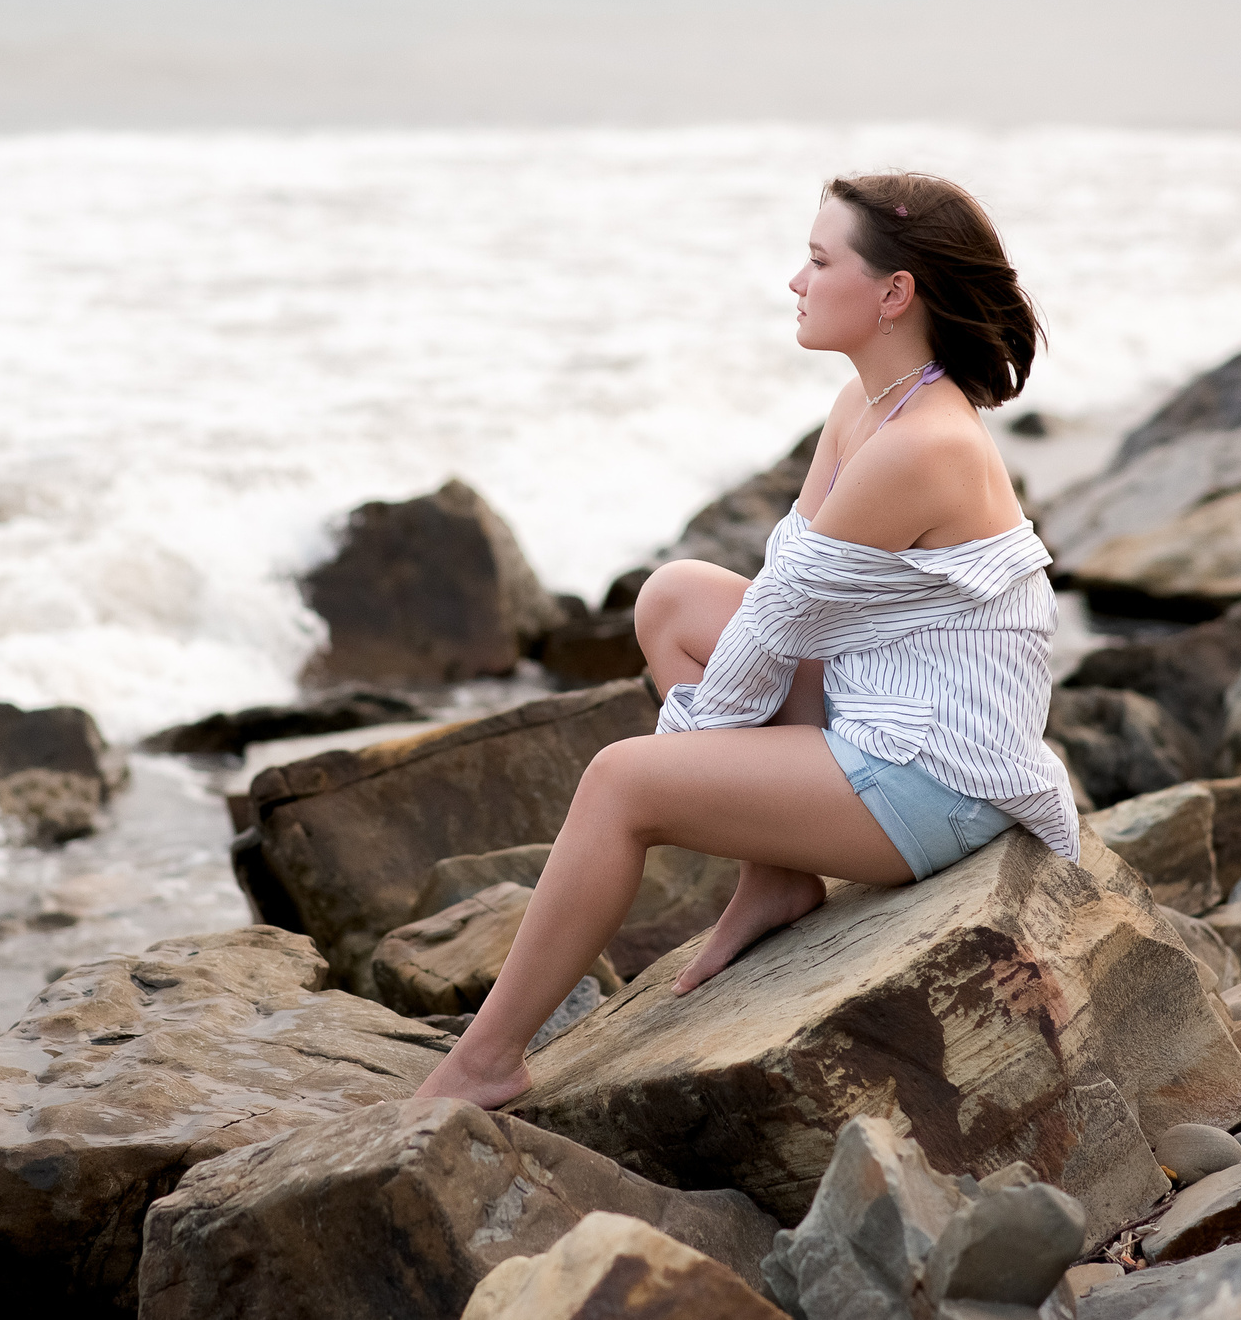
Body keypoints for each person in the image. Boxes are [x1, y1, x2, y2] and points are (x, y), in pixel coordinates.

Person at [412, 170, 1071, 1110]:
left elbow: (776, 626)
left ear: (893, 293)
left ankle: (484, 1065)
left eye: (816, 261)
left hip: (938, 772)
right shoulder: (867, 404)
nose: (794, 282)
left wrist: (676, 766)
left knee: (619, 782)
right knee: (673, 597)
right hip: (872, 694)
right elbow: (780, 595)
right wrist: (709, 753)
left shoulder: (925, 444)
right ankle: (776, 876)